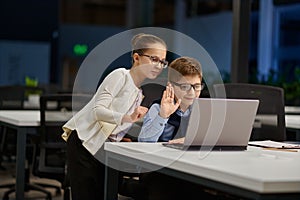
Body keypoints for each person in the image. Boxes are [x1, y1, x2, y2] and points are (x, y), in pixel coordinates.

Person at [61, 33, 168, 200]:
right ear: (136, 57)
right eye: (154, 59)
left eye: (162, 61)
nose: (159, 65)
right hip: (84, 143)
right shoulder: (120, 76)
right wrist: (128, 118)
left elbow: (114, 122)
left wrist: (119, 135)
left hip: (103, 148)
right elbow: (98, 111)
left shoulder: (139, 92)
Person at [138, 56, 204, 143]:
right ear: (171, 86)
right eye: (185, 86)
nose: (191, 92)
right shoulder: (158, 108)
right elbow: (144, 142)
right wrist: (162, 116)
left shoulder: (202, 110)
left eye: (197, 86)